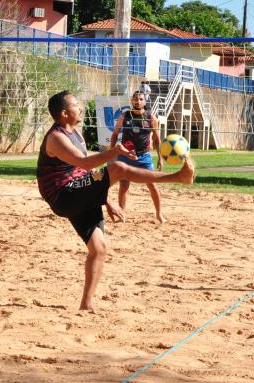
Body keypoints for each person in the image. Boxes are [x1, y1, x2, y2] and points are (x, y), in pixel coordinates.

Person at [36, 90, 195, 311]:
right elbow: (84, 163)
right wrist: (113, 152)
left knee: (99, 248)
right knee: (118, 168)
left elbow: (83, 174)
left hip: (78, 192)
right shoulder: (56, 137)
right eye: (76, 104)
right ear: (64, 113)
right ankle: (177, 177)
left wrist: (103, 198)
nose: (80, 107)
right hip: (64, 195)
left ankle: (86, 304)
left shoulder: (76, 134)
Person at [111, 90, 165, 223]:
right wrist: (112, 153)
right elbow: (114, 135)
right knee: (124, 185)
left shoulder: (151, 117)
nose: (138, 101)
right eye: (135, 99)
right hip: (126, 156)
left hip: (144, 157)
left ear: (145, 101)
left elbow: (157, 140)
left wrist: (160, 157)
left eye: (141, 99)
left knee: (152, 184)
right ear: (131, 101)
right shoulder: (125, 115)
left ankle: (159, 214)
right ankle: (122, 213)